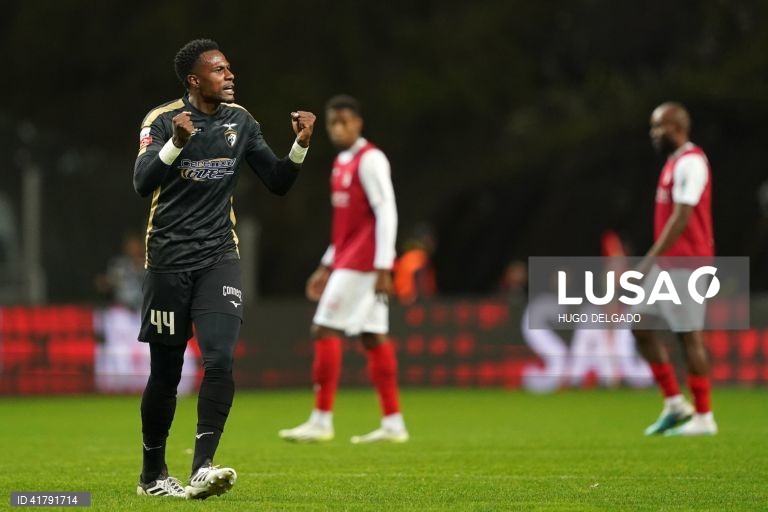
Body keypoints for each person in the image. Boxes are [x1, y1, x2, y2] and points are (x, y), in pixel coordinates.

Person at [133, 39, 315, 498]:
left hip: (219, 255)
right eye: (219, 70)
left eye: (230, 68)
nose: (230, 75)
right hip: (169, 261)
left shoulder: (241, 121)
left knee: (219, 358)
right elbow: (142, 182)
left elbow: (276, 181)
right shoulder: (161, 120)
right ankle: (152, 475)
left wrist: (299, 146)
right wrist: (176, 143)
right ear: (195, 80)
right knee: (166, 373)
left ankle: (201, 467)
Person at [278, 95, 408, 444]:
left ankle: (321, 420)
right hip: (351, 258)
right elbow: (346, 229)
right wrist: (325, 266)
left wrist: (384, 266)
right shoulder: (342, 163)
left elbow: (387, 211)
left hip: (364, 263)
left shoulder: (371, 159)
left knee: (323, 329)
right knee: (372, 336)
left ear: (358, 123)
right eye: (333, 123)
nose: (338, 128)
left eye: (345, 122)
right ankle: (394, 423)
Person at [632, 102, 717, 436]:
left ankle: (704, 418)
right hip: (668, 264)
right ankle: (674, 404)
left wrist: (646, 262)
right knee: (638, 325)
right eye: (653, 127)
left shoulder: (692, 163)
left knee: (688, 338)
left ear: (679, 127)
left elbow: (682, 218)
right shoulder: (673, 163)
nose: (654, 134)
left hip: (687, 264)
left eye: (659, 127)